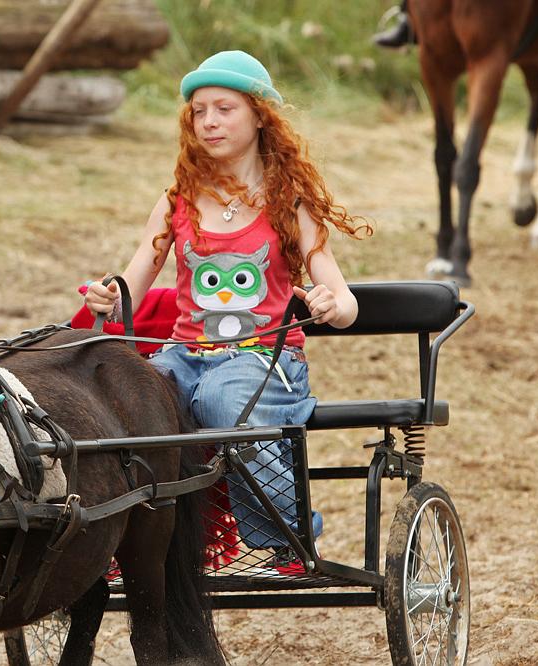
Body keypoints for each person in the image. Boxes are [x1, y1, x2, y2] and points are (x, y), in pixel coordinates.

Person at [83, 50, 371, 575]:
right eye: (199, 111)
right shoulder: (178, 200)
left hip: (264, 359)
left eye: (224, 108)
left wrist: (333, 305)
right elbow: (133, 284)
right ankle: (134, 542)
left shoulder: (290, 201)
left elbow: (344, 298)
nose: (209, 121)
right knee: (127, 405)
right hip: (184, 354)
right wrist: (108, 294)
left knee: (223, 401)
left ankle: (289, 535)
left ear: (260, 115)